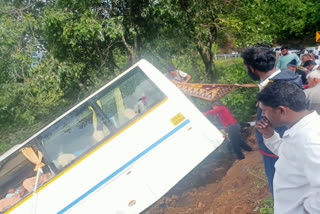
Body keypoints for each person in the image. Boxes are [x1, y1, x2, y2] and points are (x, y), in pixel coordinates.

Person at [241, 46, 302, 194]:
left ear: (252, 68)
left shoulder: (274, 88)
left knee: (281, 190)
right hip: (283, 145)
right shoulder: (287, 77)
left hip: (277, 148)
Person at [255, 81, 320, 214]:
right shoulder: (300, 129)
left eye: (265, 111)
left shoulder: (310, 141)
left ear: (281, 110)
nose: (263, 115)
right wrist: (270, 135)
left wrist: (308, 210)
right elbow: (286, 154)